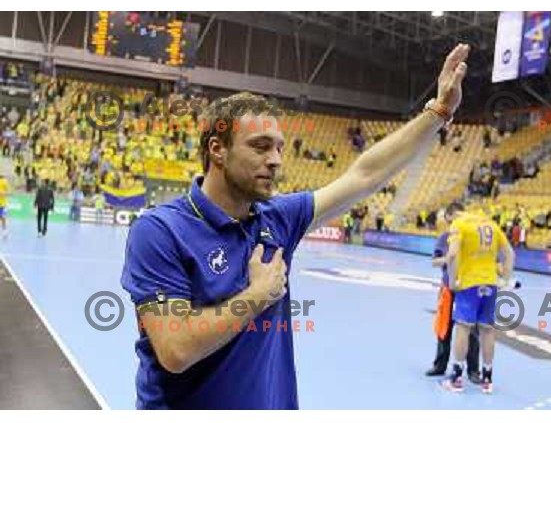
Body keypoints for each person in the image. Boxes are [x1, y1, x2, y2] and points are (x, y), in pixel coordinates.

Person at [120, 43, 470, 410]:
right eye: (260, 146)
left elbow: (364, 175)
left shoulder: (278, 217)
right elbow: (175, 350)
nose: (274, 160)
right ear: (217, 150)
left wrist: (438, 111)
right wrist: (257, 296)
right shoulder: (160, 231)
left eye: (279, 149)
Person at [444, 203, 515, 394]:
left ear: (451, 215)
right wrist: (505, 281)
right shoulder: (490, 223)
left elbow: (451, 255)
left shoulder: (459, 224)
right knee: (488, 331)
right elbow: (510, 253)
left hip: (469, 284)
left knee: (462, 328)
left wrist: (452, 280)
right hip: (490, 283)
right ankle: (487, 380)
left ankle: (457, 378)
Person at [426, 207, 480, 382]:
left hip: (468, 290)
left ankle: (473, 370)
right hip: (449, 290)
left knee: (471, 331)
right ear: (448, 217)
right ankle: (440, 365)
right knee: (444, 329)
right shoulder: (444, 238)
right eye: (454, 216)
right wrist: (448, 258)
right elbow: (434, 261)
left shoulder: (472, 239)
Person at [0, 173, 10, 240]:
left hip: (3, 205)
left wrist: (3, 193)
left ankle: (5, 232)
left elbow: (9, 192)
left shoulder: (4, 181)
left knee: (3, 218)